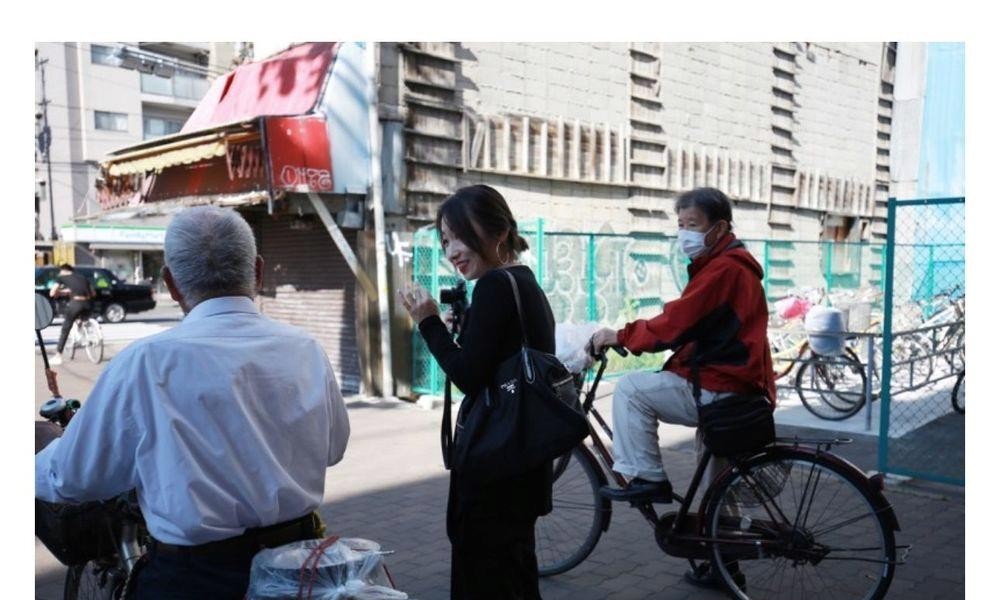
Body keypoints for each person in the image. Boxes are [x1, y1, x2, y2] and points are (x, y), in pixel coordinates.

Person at [35, 206, 351, 600]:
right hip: (301, 571)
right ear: (257, 271)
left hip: (194, 579)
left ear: (170, 283)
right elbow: (334, 449)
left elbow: (72, 477)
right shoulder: (306, 349)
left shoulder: (146, 362)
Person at [588, 187, 775, 590]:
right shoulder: (729, 266)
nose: (684, 234)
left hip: (722, 386)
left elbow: (675, 324)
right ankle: (723, 568)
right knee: (716, 488)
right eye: (680, 226)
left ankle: (647, 477)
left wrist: (617, 335)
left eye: (693, 225)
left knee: (632, 390)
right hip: (739, 386)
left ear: (720, 227)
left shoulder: (724, 270)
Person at [399, 184, 553, 600]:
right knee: (516, 574)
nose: (451, 251)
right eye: (445, 239)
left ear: (498, 233)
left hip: (494, 465)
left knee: (484, 578)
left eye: (461, 236)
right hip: (523, 458)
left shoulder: (495, 286)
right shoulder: (524, 282)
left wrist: (427, 320)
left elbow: (468, 376)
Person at [48, 263, 95, 366]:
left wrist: (57, 293)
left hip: (76, 304)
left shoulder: (61, 277)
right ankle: (81, 330)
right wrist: (65, 292)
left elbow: (52, 292)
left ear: (64, 270)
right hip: (88, 304)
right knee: (81, 317)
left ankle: (58, 356)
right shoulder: (82, 277)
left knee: (65, 328)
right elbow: (93, 293)